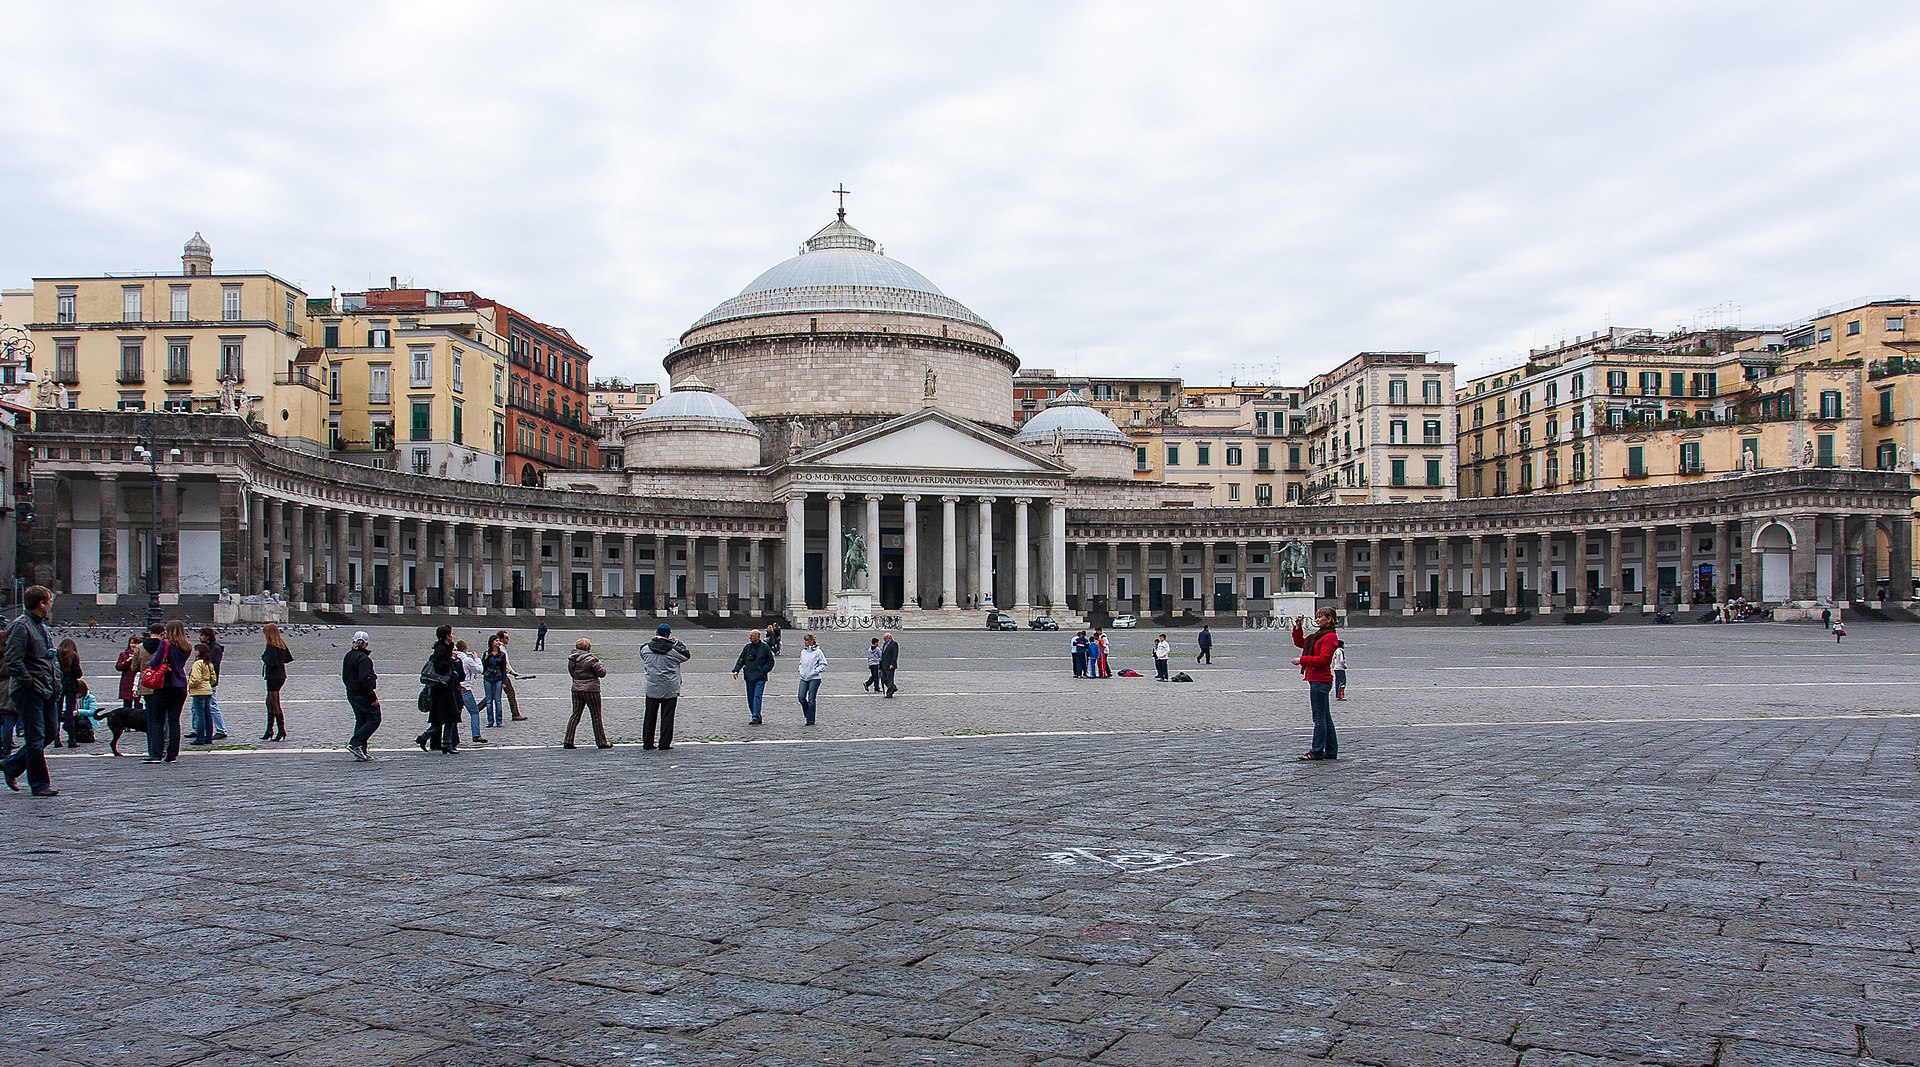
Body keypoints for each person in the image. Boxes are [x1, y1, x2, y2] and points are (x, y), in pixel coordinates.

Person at [1, 585, 60, 797]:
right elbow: (13, 661)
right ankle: (39, 784)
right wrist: (30, 682)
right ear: (41, 604)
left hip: (47, 687)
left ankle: (12, 764)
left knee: (50, 733)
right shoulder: (21, 626)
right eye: (49, 602)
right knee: (35, 737)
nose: (51, 606)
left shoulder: (42, 626)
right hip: (30, 689)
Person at [1290, 608, 1341, 762]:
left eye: (1320, 617)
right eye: (1316, 617)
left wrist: (1303, 660)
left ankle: (1317, 751)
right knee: (1325, 717)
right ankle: (1331, 750)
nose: (1317, 620)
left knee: (1319, 718)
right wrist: (1298, 628)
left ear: (1329, 619)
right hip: (1317, 679)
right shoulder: (1318, 636)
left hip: (1321, 680)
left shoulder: (1329, 637)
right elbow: (1302, 643)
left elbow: (1323, 660)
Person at [146, 619, 192, 764]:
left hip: (166, 684)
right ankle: (172, 754)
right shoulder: (187, 647)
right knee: (174, 720)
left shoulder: (165, 643)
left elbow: (156, 662)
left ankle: (156, 753)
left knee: (158, 720)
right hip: (181, 685)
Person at [641, 623, 691, 749]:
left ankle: (647, 742)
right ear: (668, 635)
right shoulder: (673, 651)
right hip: (669, 688)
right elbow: (686, 655)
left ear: (656, 633)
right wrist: (677, 643)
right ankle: (664, 743)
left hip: (652, 686)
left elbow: (642, 653)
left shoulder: (645, 649)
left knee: (649, 716)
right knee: (667, 717)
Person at [416, 625, 463, 754]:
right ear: (447, 635)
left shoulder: (446, 647)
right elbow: (440, 667)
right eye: (451, 633)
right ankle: (443, 743)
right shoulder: (440, 649)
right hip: (442, 689)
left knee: (446, 718)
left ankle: (429, 738)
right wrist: (451, 659)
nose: (452, 635)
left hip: (447, 687)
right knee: (449, 716)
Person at [562, 637, 611, 749]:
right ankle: (601, 742)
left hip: (576, 689)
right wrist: (601, 664)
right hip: (591, 690)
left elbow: (572, 673)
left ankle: (568, 740)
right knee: (596, 716)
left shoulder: (572, 659)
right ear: (588, 648)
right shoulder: (592, 659)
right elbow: (601, 673)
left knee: (575, 715)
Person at [342, 631, 381, 761]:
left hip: (351, 693)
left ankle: (361, 750)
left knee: (361, 720)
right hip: (363, 695)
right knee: (374, 719)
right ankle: (355, 743)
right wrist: (373, 697)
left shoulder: (348, 656)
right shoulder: (364, 659)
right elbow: (364, 680)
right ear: (366, 644)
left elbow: (345, 676)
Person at [732, 629, 776, 724]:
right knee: (750, 698)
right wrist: (736, 670)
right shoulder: (747, 647)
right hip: (749, 676)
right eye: (750, 635)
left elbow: (770, 661)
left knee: (757, 696)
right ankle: (756, 715)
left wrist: (763, 670)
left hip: (760, 677)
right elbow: (741, 660)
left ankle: (755, 717)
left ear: (758, 636)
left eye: (752, 635)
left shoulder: (765, 648)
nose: (750, 637)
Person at [260, 622, 292, 740]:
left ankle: (281, 730)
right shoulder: (281, 644)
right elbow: (287, 659)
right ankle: (269, 729)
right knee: (269, 702)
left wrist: (263, 657)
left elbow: (268, 660)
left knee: (274, 704)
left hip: (273, 676)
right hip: (280, 675)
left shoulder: (272, 646)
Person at [455, 639, 487, 744]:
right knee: (474, 712)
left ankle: (453, 736)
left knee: (455, 714)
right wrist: (477, 659)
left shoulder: (453, 658)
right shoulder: (467, 660)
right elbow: (479, 670)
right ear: (465, 649)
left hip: (455, 689)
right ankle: (476, 734)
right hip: (465, 689)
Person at [199, 627, 228, 740]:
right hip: (204, 680)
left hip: (210, 680)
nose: (200, 637)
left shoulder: (215, 649)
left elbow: (214, 666)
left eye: (202, 635)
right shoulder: (205, 648)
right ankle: (199, 729)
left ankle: (221, 729)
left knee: (212, 705)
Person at [187, 641, 218, 745]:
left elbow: (195, 678)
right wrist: (208, 683)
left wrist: (190, 685)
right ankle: (208, 737)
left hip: (199, 691)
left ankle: (200, 738)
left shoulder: (198, 663)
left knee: (200, 715)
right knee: (207, 714)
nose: (194, 652)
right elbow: (213, 678)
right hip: (208, 689)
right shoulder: (208, 662)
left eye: (196, 650)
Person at [55, 637, 83, 747]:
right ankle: (72, 739)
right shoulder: (73, 656)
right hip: (71, 685)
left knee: (56, 712)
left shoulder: (57, 655)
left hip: (58, 685)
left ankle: (56, 739)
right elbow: (78, 673)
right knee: (69, 712)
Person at [494, 630, 527, 721]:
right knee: (511, 693)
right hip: (502, 674)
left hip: (498, 674)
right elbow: (505, 664)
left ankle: (477, 709)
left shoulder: (499, 648)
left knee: (493, 694)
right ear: (500, 639)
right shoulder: (501, 649)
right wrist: (512, 672)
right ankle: (515, 714)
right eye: (506, 638)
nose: (508, 639)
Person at [796, 633, 827, 726]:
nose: (806, 642)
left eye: (808, 640)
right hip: (803, 677)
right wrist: (800, 670)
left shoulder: (818, 652)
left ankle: (810, 719)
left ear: (812, 641)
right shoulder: (803, 652)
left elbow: (824, 665)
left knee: (811, 699)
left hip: (814, 678)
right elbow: (801, 663)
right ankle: (808, 713)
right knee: (801, 697)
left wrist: (815, 671)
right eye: (805, 640)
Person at [479, 635, 509, 731]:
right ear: (492, 642)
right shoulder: (487, 653)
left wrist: (504, 681)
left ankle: (499, 720)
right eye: (496, 641)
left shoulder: (502, 655)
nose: (498, 642)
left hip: (498, 678)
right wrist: (486, 658)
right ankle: (490, 721)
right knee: (489, 701)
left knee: (498, 700)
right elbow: (482, 666)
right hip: (488, 677)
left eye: (498, 641)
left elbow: (504, 668)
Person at [116, 634, 147, 721]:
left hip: (138, 681)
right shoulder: (124, 654)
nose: (133, 645)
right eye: (132, 643)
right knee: (127, 704)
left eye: (136, 643)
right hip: (127, 682)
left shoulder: (143, 654)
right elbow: (118, 667)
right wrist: (127, 661)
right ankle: (126, 722)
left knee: (138, 703)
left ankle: (139, 721)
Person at [878, 631, 900, 697]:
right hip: (884, 664)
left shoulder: (894, 644)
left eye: (885, 638)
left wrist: (892, 664)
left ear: (889, 638)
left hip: (890, 665)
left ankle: (889, 693)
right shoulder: (885, 644)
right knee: (883, 678)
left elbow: (894, 655)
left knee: (889, 679)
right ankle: (893, 687)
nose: (884, 640)